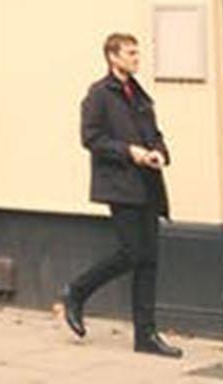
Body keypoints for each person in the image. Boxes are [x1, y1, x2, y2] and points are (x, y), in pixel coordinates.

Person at [62, 32, 180, 360]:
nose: (136, 59)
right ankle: (77, 290)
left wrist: (159, 152)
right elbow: (91, 138)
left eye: (137, 53)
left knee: (149, 260)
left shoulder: (139, 94)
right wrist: (129, 152)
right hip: (120, 185)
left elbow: (155, 134)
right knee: (131, 253)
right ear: (113, 57)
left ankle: (146, 335)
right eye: (130, 53)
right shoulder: (99, 94)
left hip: (148, 185)